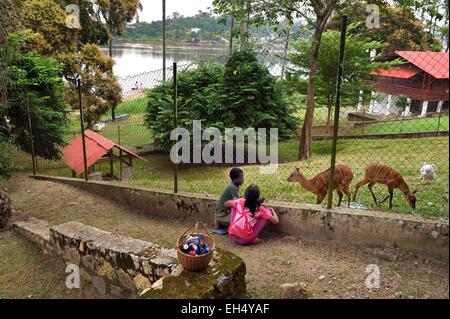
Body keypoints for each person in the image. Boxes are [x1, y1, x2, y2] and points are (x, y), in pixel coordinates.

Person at [214, 167, 244, 233]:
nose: (243, 179)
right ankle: (225, 224)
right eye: (241, 177)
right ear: (235, 179)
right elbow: (238, 203)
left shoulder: (233, 186)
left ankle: (220, 222)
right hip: (223, 216)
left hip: (220, 214)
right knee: (242, 219)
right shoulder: (232, 187)